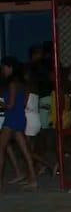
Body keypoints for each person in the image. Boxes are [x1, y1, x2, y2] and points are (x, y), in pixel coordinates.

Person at [0, 58, 38, 190]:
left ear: (10, 67)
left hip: (11, 119)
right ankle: (33, 179)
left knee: (1, 148)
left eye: (4, 67)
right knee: (25, 151)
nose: (3, 70)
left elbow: (10, 105)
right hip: (20, 117)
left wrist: (1, 103)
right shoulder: (22, 83)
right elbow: (23, 103)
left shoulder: (11, 83)